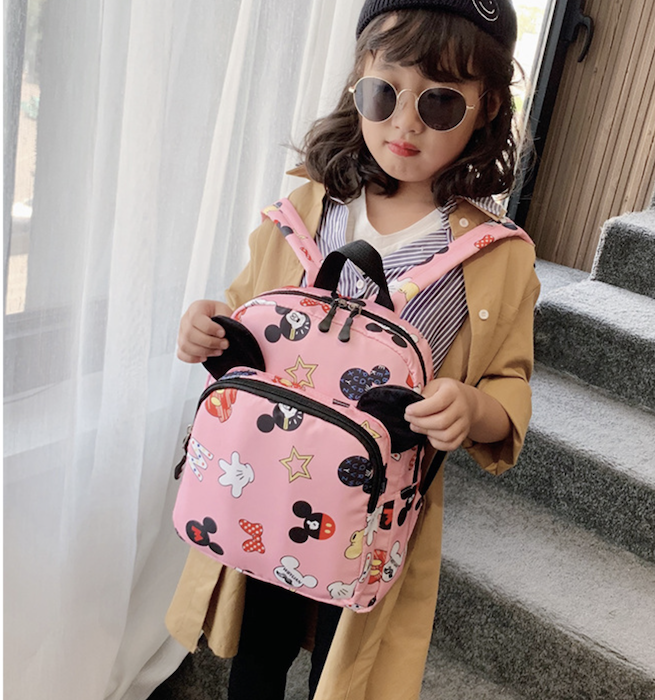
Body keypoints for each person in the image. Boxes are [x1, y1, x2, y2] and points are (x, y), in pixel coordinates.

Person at [167, 1, 539, 698]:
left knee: (345, 668)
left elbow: (508, 382)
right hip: (271, 482)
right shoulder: (309, 209)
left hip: (375, 509)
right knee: (259, 648)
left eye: (439, 102)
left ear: (487, 106)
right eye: (383, 93)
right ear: (357, 77)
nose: (404, 124)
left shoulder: (495, 256)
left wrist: (473, 408)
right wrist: (205, 325)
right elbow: (244, 317)